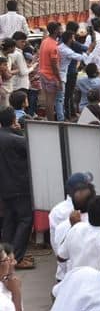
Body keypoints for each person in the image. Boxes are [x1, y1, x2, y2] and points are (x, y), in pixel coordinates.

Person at [0, 108, 32, 271]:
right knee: (26, 220)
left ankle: (5, 256)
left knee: (9, 222)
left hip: (4, 187)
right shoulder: (16, 139)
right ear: (14, 121)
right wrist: (20, 133)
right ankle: (17, 257)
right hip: (20, 186)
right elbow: (32, 151)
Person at [0, 243, 28, 311]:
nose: (15, 263)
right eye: (8, 260)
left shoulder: (9, 283)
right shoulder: (3, 300)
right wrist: (16, 293)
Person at [38, 22, 61, 121]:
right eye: (60, 29)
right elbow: (54, 65)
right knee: (50, 100)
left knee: (48, 99)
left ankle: (49, 119)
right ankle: (52, 121)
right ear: (56, 31)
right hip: (50, 76)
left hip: (43, 73)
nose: (61, 31)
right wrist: (59, 79)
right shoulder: (53, 46)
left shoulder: (45, 41)